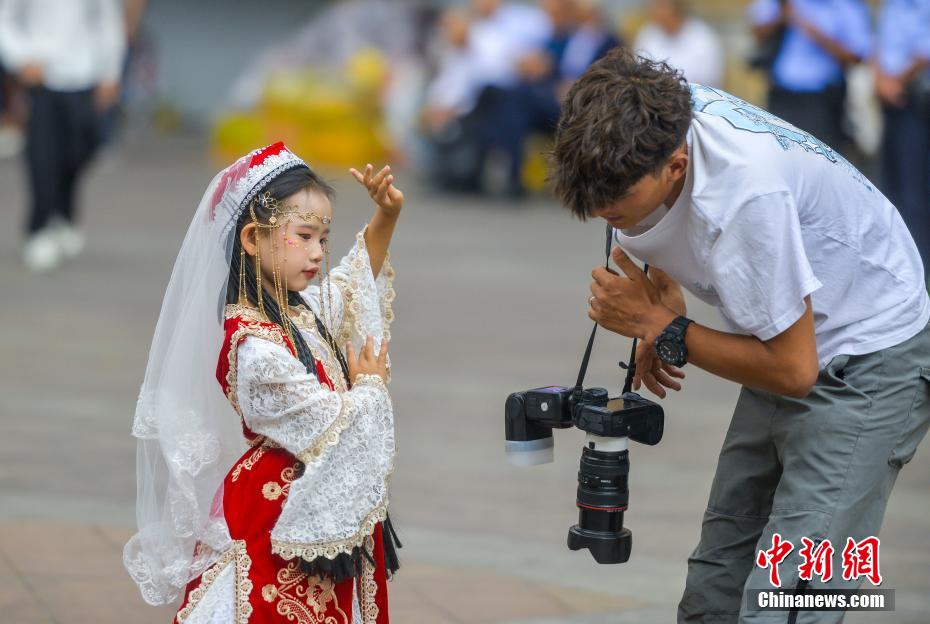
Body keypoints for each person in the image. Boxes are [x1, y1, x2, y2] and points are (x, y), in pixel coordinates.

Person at [552, 49, 930, 623]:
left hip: (869, 353)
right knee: (716, 586)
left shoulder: (745, 196)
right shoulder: (642, 109)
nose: (609, 221)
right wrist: (663, 285)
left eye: (619, 209)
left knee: (793, 595)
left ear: (675, 167)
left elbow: (794, 371)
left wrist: (662, 327)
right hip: (781, 327)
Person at [123, 142, 403, 623]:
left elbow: (351, 283)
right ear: (253, 239)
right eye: (304, 236)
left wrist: (386, 217)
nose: (318, 252)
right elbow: (330, 423)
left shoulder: (297, 310)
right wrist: (370, 388)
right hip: (279, 514)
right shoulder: (256, 349)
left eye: (323, 238)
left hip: (307, 495)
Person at [0, 0, 126, 272]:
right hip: (42, 76)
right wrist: (21, 58)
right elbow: (5, 17)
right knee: (43, 154)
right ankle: (39, 227)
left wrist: (111, 72)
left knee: (81, 148)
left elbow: (108, 21)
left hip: (84, 74)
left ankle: (63, 211)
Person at [748, 0, 871, 153]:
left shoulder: (847, 6)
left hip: (821, 100)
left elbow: (856, 55)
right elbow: (757, 32)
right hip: (781, 95)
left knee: (819, 158)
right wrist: (783, 15)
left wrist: (811, 29)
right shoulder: (783, 4)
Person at [874, 0, 930, 286]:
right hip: (894, 102)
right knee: (894, 192)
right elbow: (881, 41)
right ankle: (904, 278)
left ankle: (920, 281)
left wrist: (898, 78)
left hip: (919, 100)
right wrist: (881, 79)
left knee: (917, 197)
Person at [634, 0, 725, 88]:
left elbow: (709, 81)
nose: (654, 11)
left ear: (676, 9)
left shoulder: (703, 37)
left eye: (662, 6)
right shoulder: (647, 33)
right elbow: (638, 70)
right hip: (653, 97)